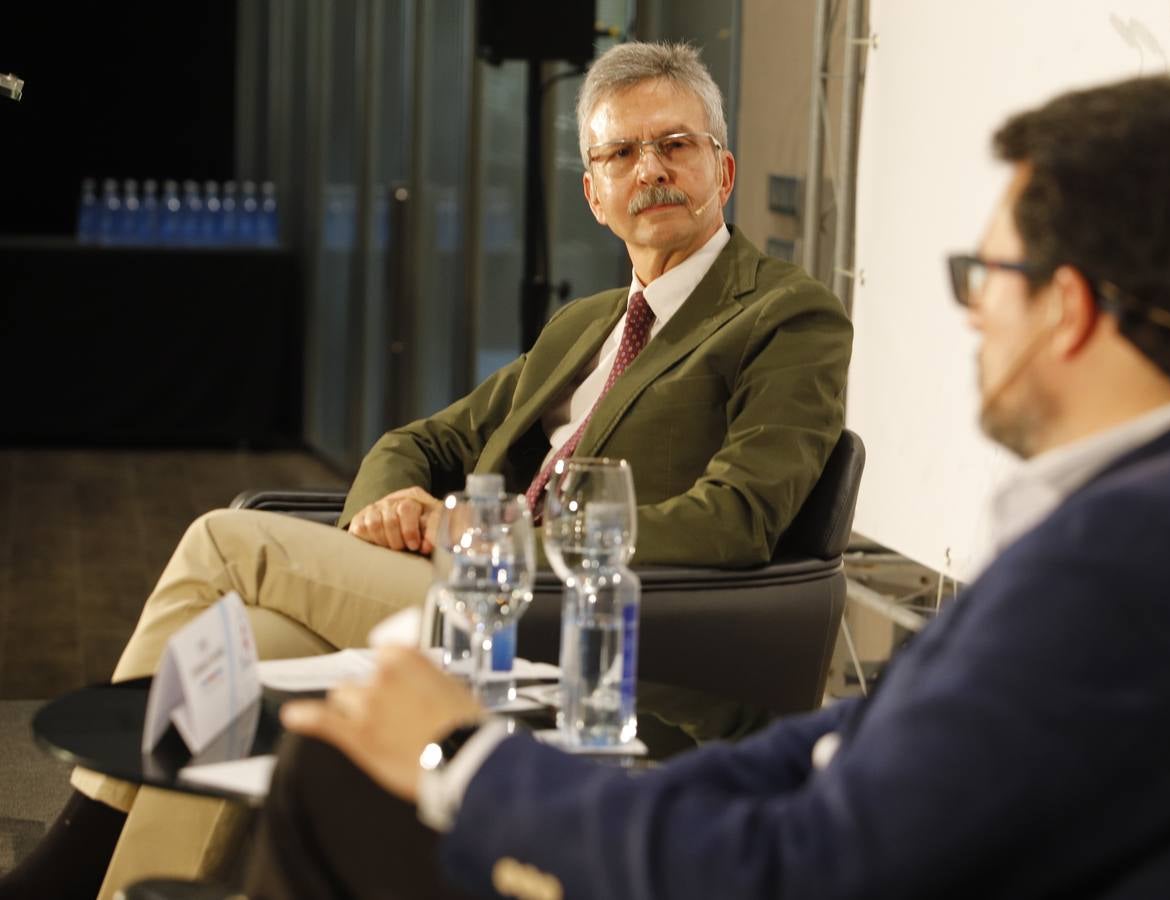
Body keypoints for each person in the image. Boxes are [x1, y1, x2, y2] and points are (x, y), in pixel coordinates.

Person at [246, 74, 1170, 899]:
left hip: (638, 683)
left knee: (338, 784)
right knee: (309, 723)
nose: (972, 313)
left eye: (985, 276)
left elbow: (806, 869)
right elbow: (862, 756)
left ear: (1063, 307)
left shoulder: (1133, 561)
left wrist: (463, 759)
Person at [0, 42, 851, 900]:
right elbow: (422, 445)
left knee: (224, 543)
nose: (651, 169)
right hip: (463, 599)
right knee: (243, 649)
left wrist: (499, 535)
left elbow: (738, 518)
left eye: (676, 144)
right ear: (595, 195)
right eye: (621, 153)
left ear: (724, 168)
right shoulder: (585, 324)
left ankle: (61, 870)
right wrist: (385, 517)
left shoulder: (788, 314)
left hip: (585, 630)